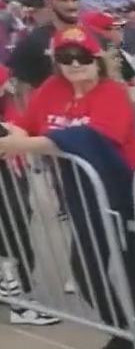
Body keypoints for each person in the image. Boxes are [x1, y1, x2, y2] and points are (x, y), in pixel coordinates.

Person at [0, 26, 135, 349]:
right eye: (65, 57)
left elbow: (93, 139)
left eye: (82, 57)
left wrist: (23, 144)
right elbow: (26, 124)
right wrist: (13, 133)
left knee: (134, 266)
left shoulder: (112, 92)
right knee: (86, 270)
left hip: (127, 191)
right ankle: (120, 329)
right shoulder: (51, 89)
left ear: (97, 59)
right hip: (82, 195)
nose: (74, 65)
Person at [0, 63, 59, 326]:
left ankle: (13, 287)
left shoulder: (8, 98)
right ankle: (20, 299)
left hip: (13, 169)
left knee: (17, 226)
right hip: (7, 174)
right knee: (15, 231)